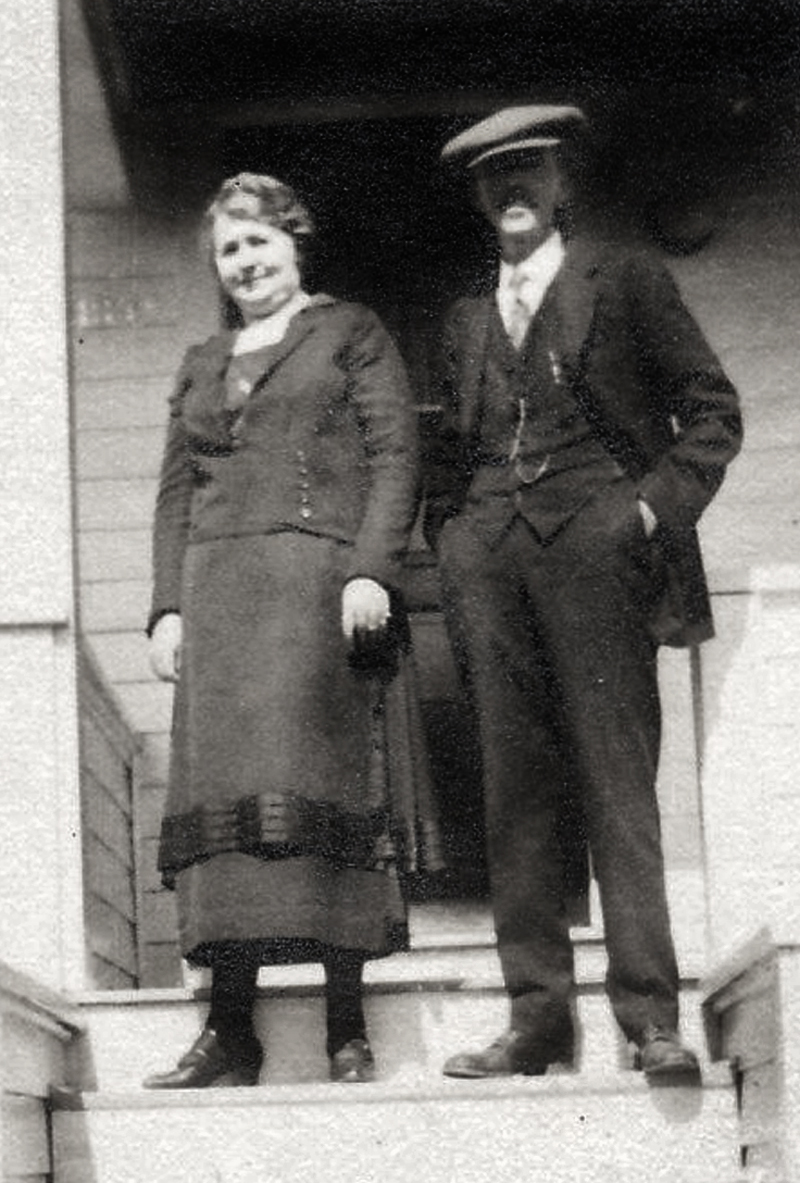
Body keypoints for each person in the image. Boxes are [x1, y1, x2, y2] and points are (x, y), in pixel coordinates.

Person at [425, 106, 743, 1078]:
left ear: (561, 182)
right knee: (514, 791)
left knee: (616, 782)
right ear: (478, 198)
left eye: (528, 169)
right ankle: (537, 1020)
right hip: (491, 562)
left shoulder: (626, 278)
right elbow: (451, 455)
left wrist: (643, 512)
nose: (511, 189)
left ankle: (649, 1018)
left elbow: (711, 413)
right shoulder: (465, 318)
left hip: (599, 552)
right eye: (493, 177)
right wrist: (454, 544)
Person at [143, 172, 433, 1088]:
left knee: (324, 796)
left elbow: (396, 456)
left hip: (317, 594)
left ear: (294, 242)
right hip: (217, 602)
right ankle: (231, 1029)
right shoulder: (201, 360)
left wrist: (371, 568)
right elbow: (175, 493)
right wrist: (166, 606)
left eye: (258, 241)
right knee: (226, 812)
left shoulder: (348, 332)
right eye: (228, 249)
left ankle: (347, 1024)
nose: (244, 262)